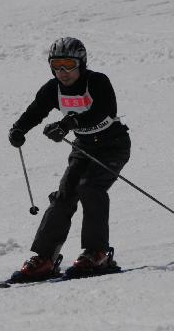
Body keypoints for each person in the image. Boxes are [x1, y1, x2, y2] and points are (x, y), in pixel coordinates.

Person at [8, 37, 131, 281]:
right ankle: (45, 258)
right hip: (83, 146)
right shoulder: (52, 89)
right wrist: (19, 129)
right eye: (57, 65)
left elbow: (105, 111)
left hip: (112, 145)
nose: (63, 72)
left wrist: (69, 123)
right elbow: (36, 111)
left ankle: (97, 253)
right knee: (64, 196)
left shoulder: (97, 82)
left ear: (81, 64)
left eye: (69, 65)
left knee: (90, 188)